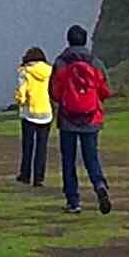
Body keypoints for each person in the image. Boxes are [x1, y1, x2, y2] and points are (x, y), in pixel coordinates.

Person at [49, 25, 112, 216]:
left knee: (68, 160)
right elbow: (105, 91)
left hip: (68, 118)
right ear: (85, 40)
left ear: (68, 40)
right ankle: (99, 185)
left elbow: (55, 92)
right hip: (92, 117)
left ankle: (73, 201)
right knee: (91, 157)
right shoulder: (95, 63)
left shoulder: (61, 63)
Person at [14, 46, 53, 188]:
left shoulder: (25, 72)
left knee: (28, 145)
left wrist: (19, 101)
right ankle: (39, 178)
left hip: (29, 112)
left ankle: (25, 174)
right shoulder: (49, 71)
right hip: (46, 112)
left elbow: (22, 92)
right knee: (42, 147)